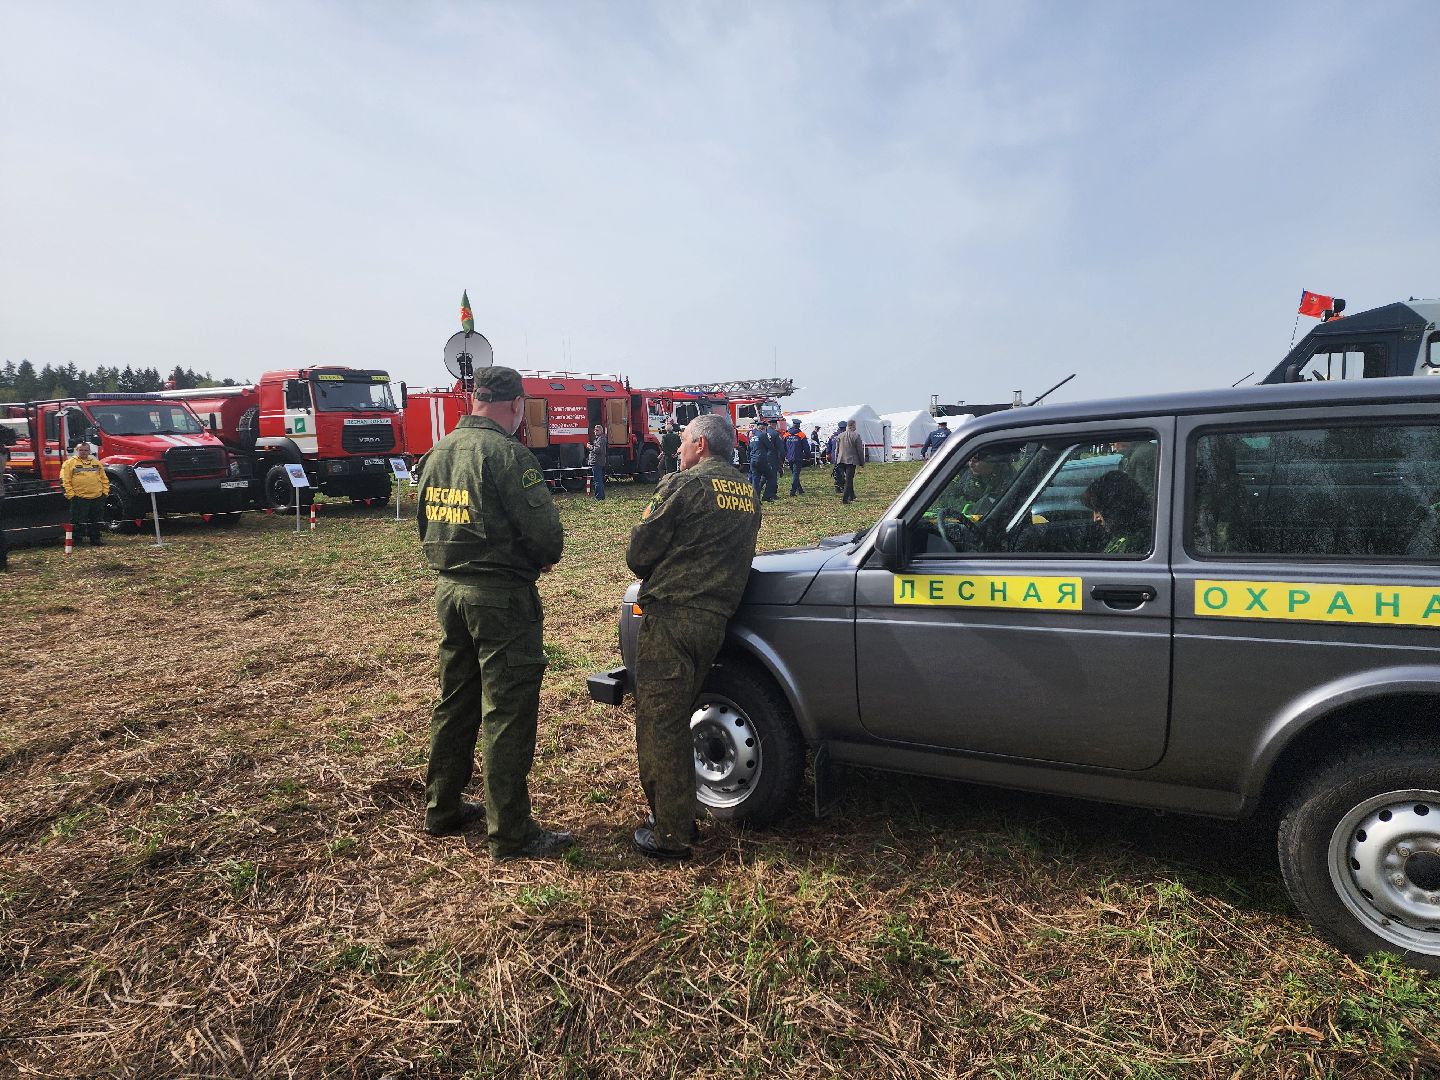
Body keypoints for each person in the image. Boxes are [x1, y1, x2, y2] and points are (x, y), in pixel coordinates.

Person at [417, 365, 573, 860]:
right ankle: (510, 832)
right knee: (507, 710)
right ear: (516, 404)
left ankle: (441, 807)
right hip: (500, 600)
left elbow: (425, 524)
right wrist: (534, 558)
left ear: (475, 399)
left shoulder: (438, 451)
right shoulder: (508, 454)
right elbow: (547, 536)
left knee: (455, 700)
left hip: (450, 593)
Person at [625, 413, 761, 859]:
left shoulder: (686, 485)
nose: (678, 448)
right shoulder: (747, 492)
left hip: (672, 619)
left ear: (701, 444)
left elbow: (639, 553)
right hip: (715, 622)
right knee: (678, 716)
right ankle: (679, 813)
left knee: (661, 725)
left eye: (683, 441)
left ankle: (671, 833)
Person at [1081, 470, 1152, 554]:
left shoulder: (1139, 545)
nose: (1095, 518)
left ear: (1115, 508)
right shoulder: (1125, 535)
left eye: (1098, 510)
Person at [60, 441, 109, 546]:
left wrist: (105, 493)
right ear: (76, 450)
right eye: (81, 450)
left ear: (89, 451)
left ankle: (95, 540)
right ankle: (77, 540)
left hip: (97, 497)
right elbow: (65, 481)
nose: (83, 452)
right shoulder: (69, 463)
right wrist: (71, 495)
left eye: (86, 450)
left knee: (96, 520)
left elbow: (104, 478)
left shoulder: (96, 462)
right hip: (79, 497)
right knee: (78, 520)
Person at [834, 421, 865, 504]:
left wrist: (836, 460)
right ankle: (845, 499)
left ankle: (852, 495)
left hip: (841, 460)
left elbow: (836, 450)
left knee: (848, 479)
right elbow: (860, 450)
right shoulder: (856, 436)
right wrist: (862, 462)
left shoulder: (840, 435)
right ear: (853, 426)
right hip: (851, 460)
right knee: (849, 480)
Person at [784, 419, 810, 495]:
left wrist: (785, 456)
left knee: (794, 473)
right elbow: (806, 447)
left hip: (789, 457)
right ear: (798, 425)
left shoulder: (786, 434)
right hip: (798, 457)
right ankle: (792, 491)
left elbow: (783, 446)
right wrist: (808, 456)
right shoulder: (801, 435)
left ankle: (800, 489)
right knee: (796, 474)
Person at [587, 424, 608, 500]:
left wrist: (590, 447)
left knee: (597, 481)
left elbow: (598, 450)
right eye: (594, 430)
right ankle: (601, 496)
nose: (595, 431)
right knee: (599, 480)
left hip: (597, 462)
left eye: (597, 430)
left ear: (601, 431)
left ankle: (599, 497)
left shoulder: (601, 439)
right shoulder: (599, 439)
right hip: (597, 461)